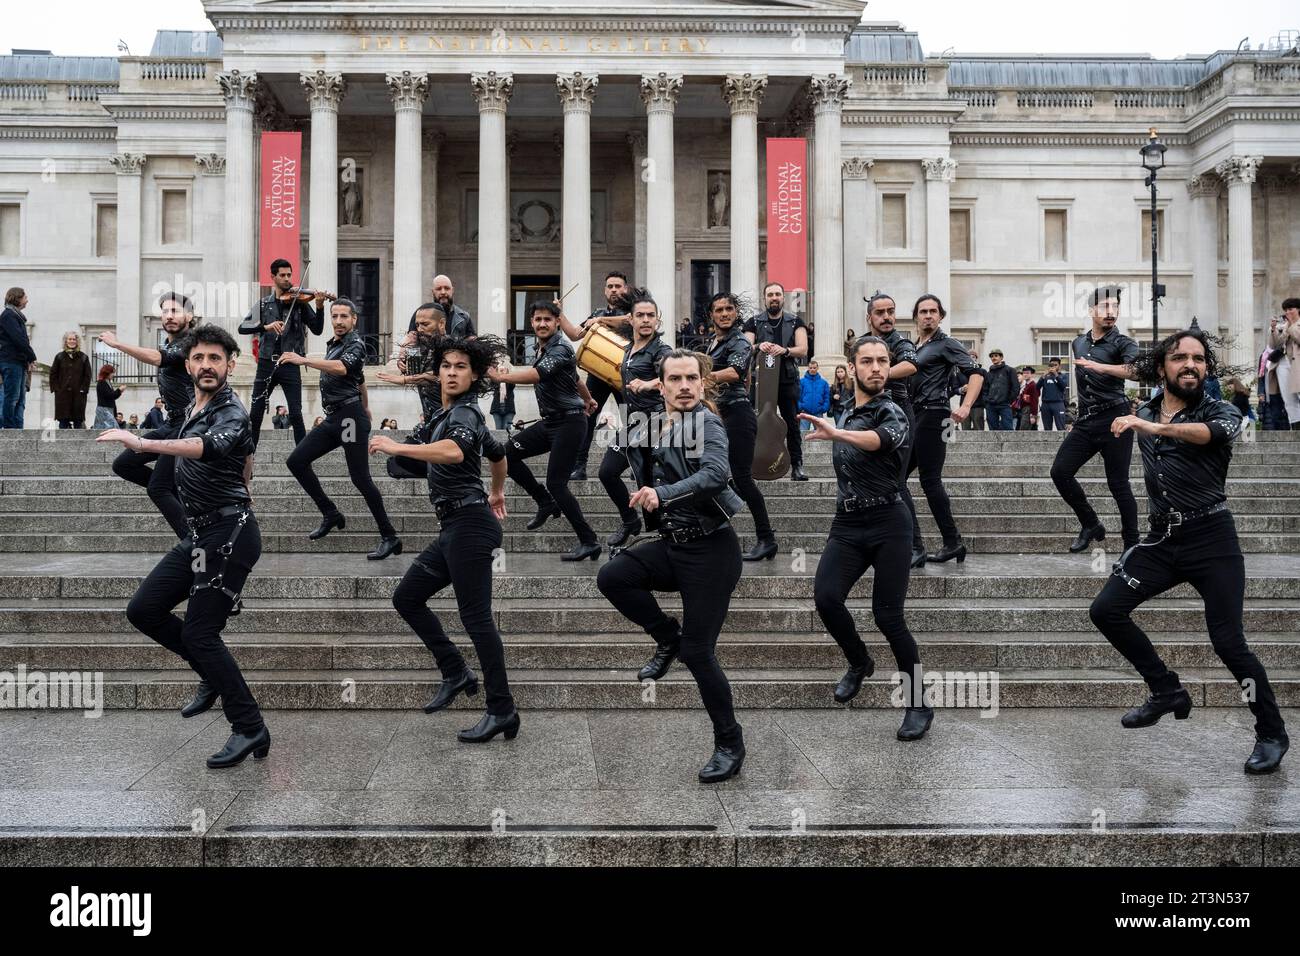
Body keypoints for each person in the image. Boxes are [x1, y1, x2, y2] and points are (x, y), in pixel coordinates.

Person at [1089, 327, 1287, 775]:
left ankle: (1271, 733)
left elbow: (1208, 435)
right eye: (1180, 358)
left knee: (1229, 644)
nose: (1191, 365)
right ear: (1162, 367)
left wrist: (1153, 425)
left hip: (1212, 539)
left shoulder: (1221, 410)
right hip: (1162, 540)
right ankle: (1166, 690)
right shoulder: (1145, 409)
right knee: (1106, 610)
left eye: (1198, 359)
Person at [96, 323, 270, 769]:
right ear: (188, 364)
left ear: (231, 365)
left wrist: (143, 442)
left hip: (229, 534)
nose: (206, 365)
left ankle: (248, 726)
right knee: (144, 610)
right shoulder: (194, 406)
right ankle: (210, 676)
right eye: (199, 358)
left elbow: (208, 447)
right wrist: (246, 476)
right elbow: (242, 455)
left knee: (199, 632)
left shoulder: (231, 410)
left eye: (215, 358)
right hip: (200, 535)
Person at [596, 349, 746, 783]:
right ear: (660, 386)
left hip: (712, 553)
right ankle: (667, 637)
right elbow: (613, 463)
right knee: (614, 576)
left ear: (702, 384)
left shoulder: (708, 423)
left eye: (691, 379)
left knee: (700, 654)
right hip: (673, 545)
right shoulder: (649, 425)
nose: (684, 386)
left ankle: (729, 744)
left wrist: (663, 495)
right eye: (674, 379)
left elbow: (716, 475)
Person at [372, 334, 520, 743]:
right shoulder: (447, 414)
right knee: (407, 597)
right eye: (446, 366)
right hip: (457, 525)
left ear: (474, 377)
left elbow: (455, 452)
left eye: (461, 368)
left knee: (476, 619)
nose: (452, 373)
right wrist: (498, 490)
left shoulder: (466, 415)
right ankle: (456, 671)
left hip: (469, 526)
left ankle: (501, 708)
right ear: (437, 371)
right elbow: (498, 453)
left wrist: (394, 446)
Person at [802, 335, 932, 741]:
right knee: (825, 598)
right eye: (868, 361)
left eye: (882, 361)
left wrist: (838, 435)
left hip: (890, 522)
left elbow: (880, 442)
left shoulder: (892, 410)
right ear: (853, 367)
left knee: (888, 616)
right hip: (848, 523)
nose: (876, 368)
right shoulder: (844, 410)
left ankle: (917, 704)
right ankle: (859, 661)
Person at [279, 298, 402, 561]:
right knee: (296, 461)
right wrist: (367, 407)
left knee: (360, 478)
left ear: (353, 319)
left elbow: (343, 368)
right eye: (334, 316)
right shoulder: (333, 344)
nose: (337, 321)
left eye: (343, 316)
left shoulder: (355, 344)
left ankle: (389, 536)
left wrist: (304, 360)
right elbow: (359, 380)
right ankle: (330, 512)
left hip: (348, 419)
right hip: (336, 417)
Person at [492, 300, 601, 561]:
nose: (542, 324)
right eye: (538, 319)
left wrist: (501, 377)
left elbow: (537, 375)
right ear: (532, 323)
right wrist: (588, 399)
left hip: (570, 423)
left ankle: (589, 541)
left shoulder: (561, 347)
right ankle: (543, 501)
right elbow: (574, 378)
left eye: (547, 320)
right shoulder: (543, 348)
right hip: (552, 422)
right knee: (506, 454)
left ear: (556, 322)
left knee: (557, 483)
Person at [1051, 284, 1140, 553]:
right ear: (1092, 310)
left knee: (1118, 484)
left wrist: (1099, 366)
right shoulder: (1078, 342)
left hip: (1116, 418)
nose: (1110, 312)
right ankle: (1090, 524)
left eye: (1115, 307)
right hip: (1086, 421)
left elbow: (1136, 371)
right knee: (1060, 472)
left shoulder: (1124, 343)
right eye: (1104, 307)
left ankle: (1132, 545)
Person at [101, 292, 199, 539]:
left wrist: (118, 344)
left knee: (158, 488)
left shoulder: (192, 342)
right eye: (165, 311)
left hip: (188, 424)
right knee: (124, 464)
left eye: (175, 311)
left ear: (189, 316)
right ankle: (186, 501)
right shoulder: (168, 343)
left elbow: (160, 359)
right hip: (171, 423)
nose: (169, 316)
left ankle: (193, 543)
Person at [907, 294, 983, 564]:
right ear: (916, 316)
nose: (928, 315)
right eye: (923, 311)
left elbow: (976, 373)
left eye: (933, 311)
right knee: (896, 478)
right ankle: (927, 543)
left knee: (929, 480)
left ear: (940, 316)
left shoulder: (947, 344)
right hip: (915, 415)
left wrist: (965, 406)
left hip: (936, 414)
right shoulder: (915, 347)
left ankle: (949, 542)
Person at [705, 291, 777, 561]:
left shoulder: (741, 342)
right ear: (711, 314)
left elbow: (735, 373)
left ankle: (766, 538)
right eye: (719, 309)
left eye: (729, 309)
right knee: (719, 476)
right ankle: (711, 525)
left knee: (743, 478)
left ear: (736, 313)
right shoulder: (713, 343)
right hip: (717, 416)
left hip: (737, 415)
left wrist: (697, 376)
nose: (724, 313)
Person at [598, 291, 672, 549]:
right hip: (632, 422)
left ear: (657, 320)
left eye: (651, 316)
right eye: (640, 315)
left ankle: (661, 534)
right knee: (607, 472)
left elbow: (673, 374)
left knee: (648, 479)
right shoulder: (629, 348)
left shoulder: (660, 350)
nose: (646, 320)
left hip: (655, 421)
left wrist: (650, 383)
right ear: (631, 320)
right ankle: (631, 521)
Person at [864, 293, 925, 567]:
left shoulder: (900, 342)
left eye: (891, 311)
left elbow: (912, 365)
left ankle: (916, 546)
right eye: (880, 312)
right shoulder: (864, 344)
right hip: (871, 415)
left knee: (897, 483)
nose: (887, 317)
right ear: (870, 317)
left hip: (899, 413)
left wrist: (879, 373)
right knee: (874, 481)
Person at [239, 258, 325, 446]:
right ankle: (248, 458)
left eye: (289, 275)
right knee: (256, 411)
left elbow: (317, 329)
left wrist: (319, 307)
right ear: (273, 277)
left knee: (295, 413)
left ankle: (302, 458)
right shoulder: (263, 304)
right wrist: (265, 326)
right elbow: (243, 327)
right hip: (266, 362)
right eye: (283, 275)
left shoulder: (300, 303)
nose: (287, 279)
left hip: (290, 362)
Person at [560, 271, 631, 481]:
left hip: (623, 374)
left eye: (618, 286)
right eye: (610, 286)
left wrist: (600, 320)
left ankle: (637, 465)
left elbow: (629, 320)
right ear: (605, 290)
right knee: (587, 417)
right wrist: (558, 313)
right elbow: (574, 334)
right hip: (597, 374)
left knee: (632, 419)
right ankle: (579, 466)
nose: (614, 290)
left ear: (625, 289)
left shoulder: (633, 311)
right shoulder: (597, 312)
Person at [745, 281, 810, 480]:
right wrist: (758, 346)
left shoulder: (795, 321)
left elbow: (803, 349)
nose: (774, 298)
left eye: (777, 294)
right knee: (755, 422)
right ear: (764, 298)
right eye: (770, 294)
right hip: (761, 380)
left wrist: (786, 350)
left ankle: (797, 466)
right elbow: (745, 347)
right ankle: (752, 464)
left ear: (783, 298)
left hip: (787, 380)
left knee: (791, 423)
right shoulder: (753, 322)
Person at [0, 287, 37, 429]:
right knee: (12, 397)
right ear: (18, 298)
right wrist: (32, 357)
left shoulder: (16, 316)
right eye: (25, 297)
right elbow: (19, 339)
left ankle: (17, 427)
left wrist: (27, 359)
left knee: (20, 399)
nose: (27, 300)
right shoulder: (8, 315)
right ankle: (9, 428)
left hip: (18, 362)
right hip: (10, 361)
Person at [404, 274, 476, 340]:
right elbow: (410, 341)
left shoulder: (464, 316)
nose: (443, 292)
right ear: (433, 292)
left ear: (452, 290)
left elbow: (473, 340)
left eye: (447, 288)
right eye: (438, 289)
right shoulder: (420, 314)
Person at [49, 331, 92, 428]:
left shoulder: (83, 357)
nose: (72, 341)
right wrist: (56, 389)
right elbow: (53, 374)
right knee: (63, 420)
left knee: (78, 420)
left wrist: (83, 389)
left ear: (77, 341)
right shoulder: (59, 357)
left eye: (74, 339)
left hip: (78, 394)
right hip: (62, 394)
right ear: (65, 341)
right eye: (70, 339)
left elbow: (87, 375)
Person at [1269, 298, 1300, 429]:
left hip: (1297, 364)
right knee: (1288, 399)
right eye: (1286, 310)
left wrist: (1292, 324)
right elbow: (1274, 345)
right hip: (1283, 363)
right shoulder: (1285, 325)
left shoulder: (1294, 324)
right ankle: (1296, 427)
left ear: (1298, 309)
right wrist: (1274, 330)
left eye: (1290, 309)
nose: (1287, 312)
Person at [982, 349, 1018, 430]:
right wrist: (986, 401)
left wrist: (1008, 400)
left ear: (1001, 357)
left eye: (996, 356)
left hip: (1004, 405)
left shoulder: (1010, 370)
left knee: (1007, 428)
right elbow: (985, 389)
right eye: (992, 356)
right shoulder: (989, 374)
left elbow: (1015, 387)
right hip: (991, 405)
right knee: (993, 430)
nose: (993, 358)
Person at [798, 359, 830, 431]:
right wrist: (800, 406)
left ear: (817, 368)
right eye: (811, 368)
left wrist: (823, 408)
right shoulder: (802, 381)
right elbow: (797, 396)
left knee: (820, 434)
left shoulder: (823, 383)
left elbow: (826, 397)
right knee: (803, 434)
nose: (812, 369)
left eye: (814, 368)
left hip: (818, 412)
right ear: (808, 368)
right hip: (805, 411)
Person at [1037, 357, 1069, 430]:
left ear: (1059, 366)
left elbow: (1063, 386)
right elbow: (1037, 387)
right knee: (1047, 428)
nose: (1053, 367)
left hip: (1058, 403)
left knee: (1061, 427)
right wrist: (1042, 377)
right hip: (1045, 404)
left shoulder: (1062, 376)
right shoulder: (1045, 376)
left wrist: (1056, 375)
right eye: (1051, 365)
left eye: (1055, 365)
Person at [94, 365, 123, 430]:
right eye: (112, 372)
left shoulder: (108, 382)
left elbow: (113, 397)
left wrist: (119, 392)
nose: (113, 374)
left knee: (105, 428)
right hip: (104, 409)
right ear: (107, 372)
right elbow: (109, 395)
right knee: (112, 428)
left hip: (108, 409)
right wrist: (119, 390)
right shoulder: (102, 382)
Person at [1014, 366, 1039, 430]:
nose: (1025, 374)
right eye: (1024, 373)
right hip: (1024, 409)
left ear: (1032, 374)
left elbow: (1035, 401)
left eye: (1027, 373)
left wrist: (1033, 415)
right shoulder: (1027, 385)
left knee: (1024, 429)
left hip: (1029, 409)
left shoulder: (1033, 385)